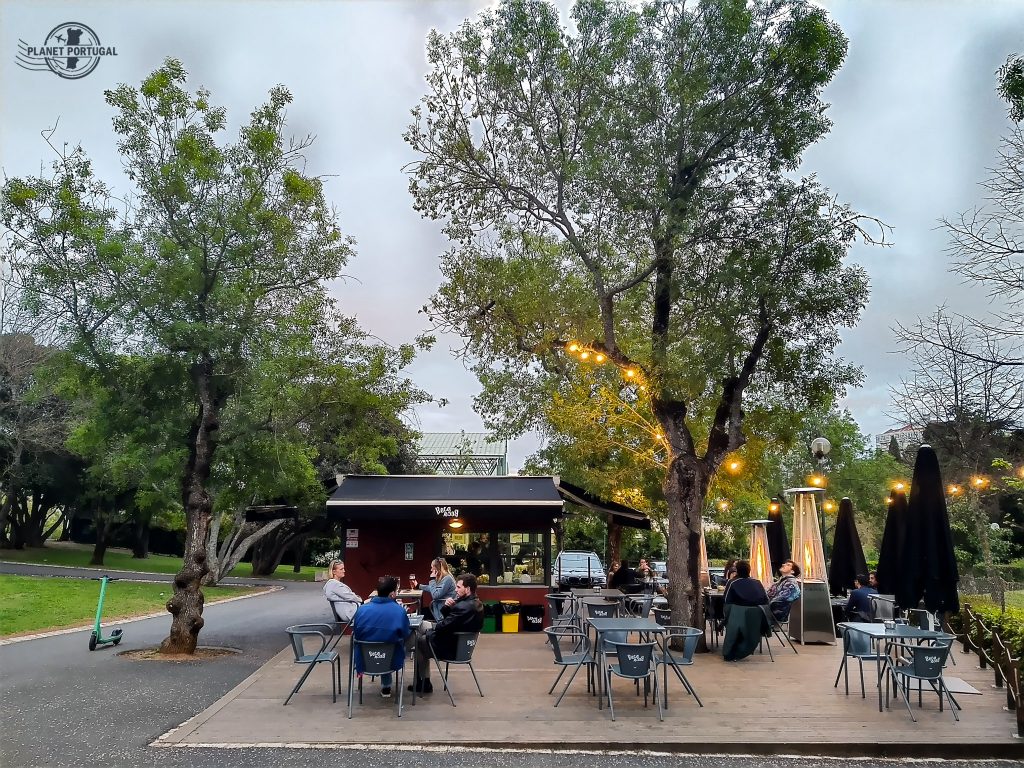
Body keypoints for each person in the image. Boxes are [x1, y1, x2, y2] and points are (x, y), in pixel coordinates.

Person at [410, 573, 484, 694]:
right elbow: (451, 621)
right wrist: (449, 607)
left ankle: (423, 682)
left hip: (450, 647)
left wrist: (429, 632)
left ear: (468, 589)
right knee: (422, 625)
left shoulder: (462, 607)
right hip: (462, 645)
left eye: (458, 587)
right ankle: (424, 682)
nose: (455, 590)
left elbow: (443, 626)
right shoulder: (476, 604)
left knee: (419, 642)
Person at [351, 576, 411, 698]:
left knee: (381, 641)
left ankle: (386, 685)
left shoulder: (361, 610)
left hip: (365, 659)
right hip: (392, 659)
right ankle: (420, 682)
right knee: (394, 641)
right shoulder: (399, 611)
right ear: (392, 594)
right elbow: (405, 633)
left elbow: (356, 633)